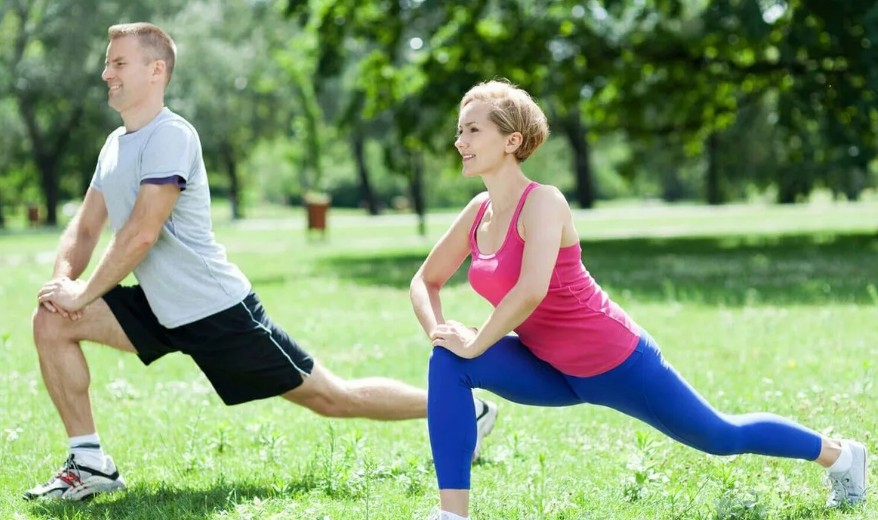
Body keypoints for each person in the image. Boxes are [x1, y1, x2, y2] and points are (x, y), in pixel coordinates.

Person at [24, 22, 498, 502]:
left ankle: (465, 409)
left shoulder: (171, 136)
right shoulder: (114, 146)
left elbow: (141, 234)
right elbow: (85, 228)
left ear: (156, 70)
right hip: (160, 305)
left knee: (332, 398)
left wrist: (83, 294)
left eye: (118, 63)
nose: (106, 73)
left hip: (215, 310)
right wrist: (60, 286)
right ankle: (89, 464)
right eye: (108, 63)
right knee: (52, 322)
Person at [409, 79, 868, 520]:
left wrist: (478, 341)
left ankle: (841, 456)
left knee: (718, 435)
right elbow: (425, 281)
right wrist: (444, 334)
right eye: (459, 130)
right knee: (448, 361)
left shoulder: (543, 203)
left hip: (615, 360)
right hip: (548, 366)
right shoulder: (477, 213)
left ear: (511, 141)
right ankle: (452, 514)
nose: (460, 141)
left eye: (473, 129)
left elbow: (532, 290)